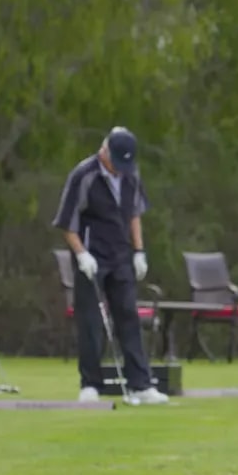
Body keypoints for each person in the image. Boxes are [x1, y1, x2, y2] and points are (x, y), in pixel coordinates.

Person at [51, 126, 168, 405]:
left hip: (121, 254)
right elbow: (67, 223)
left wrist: (139, 250)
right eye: (116, 162)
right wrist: (81, 255)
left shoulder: (131, 173)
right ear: (104, 152)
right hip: (91, 254)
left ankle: (140, 384)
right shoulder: (84, 175)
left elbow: (135, 214)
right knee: (91, 321)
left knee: (128, 315)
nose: (119, 169)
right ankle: (90, 384)